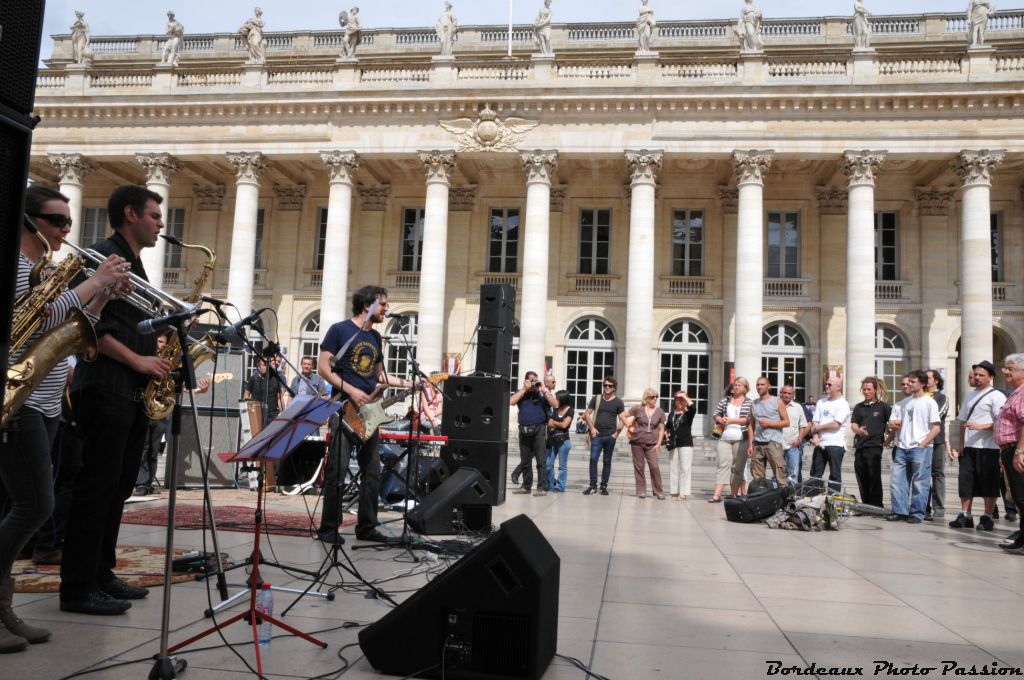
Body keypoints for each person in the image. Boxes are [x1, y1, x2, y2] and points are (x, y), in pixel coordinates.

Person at [0, 185, 129, 645]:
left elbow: (65, 325)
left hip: (48, 398)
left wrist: (100, 300)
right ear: (29, 221)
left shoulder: (42, 268)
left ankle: (4, 608)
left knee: (31, 504)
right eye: (58, 221)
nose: (67, 230)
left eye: (69, 222)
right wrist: (92, 283)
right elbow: (31, 321)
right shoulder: (16, 266)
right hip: (20, 399)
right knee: (35, 506)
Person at [61, 184, 172, 616]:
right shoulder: (99, 258)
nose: (161, 224)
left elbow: (128, 325)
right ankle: (76, 588)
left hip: (128, 390)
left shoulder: (135, 266)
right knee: (96, 488)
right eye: (154, 215)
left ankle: (101, 573)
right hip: (104, 384)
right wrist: (140, 362)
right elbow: (87, 327)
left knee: (118, 488)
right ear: (130, 214)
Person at [317, 286, 412, 543]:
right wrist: (351, 390)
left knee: (372, 471)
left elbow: (380, 375)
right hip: (344, 409)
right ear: (367, 305)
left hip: (369, 413)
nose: (386, 309)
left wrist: (409, 383)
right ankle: (328, 528)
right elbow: (323, 367)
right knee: (338, 471)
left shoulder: (376, 338)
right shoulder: (340, 330)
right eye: (383, 304)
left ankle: (367, 527)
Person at [950, 361, 1007, 530]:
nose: (977, 378)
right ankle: (965, 515)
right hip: (969, 447)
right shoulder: (969, 395)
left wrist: (983, 426)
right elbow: (963, 422)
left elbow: (1002, 422)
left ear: (991, 377)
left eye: (981, 375)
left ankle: (987, 516)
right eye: (975, 374)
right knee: (966, 482)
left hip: (989, 447)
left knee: (989, 482)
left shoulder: (996, 396)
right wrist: (960, 444)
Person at [886, 370, 941, 523]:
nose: (909, 384)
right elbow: (896, 423)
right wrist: (892, 426)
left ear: (922, 383)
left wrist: (923, 444)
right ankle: (900, 511)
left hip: (920, 447)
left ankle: (917, 513)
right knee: (898, 481)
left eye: (912, 381)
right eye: (908, 381)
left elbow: (936, 427)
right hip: (902, 446)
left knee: (920, 482)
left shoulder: (930, 402)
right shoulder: (904, 403)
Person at [994, 353, 1024, 552]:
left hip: (1017, 449)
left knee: (1022, 496)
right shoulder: (1015, 392)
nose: (1005, 371)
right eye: (1005, 367)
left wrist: (1019, 451)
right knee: (1018, 497)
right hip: (1009, 449)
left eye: (1011, 368)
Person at [510, 371, 557, 496]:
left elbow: (555, 404)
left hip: (539, 430)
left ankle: (541, 487)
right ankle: (526, 486)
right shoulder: (522, 393)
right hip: (524, 430)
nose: (533, 382)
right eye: (531, 380)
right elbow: (511, 401)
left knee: (541, 460)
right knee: (525, 460)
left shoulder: (541, 394)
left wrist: (544, 389)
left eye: (535, 380)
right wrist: (524, 389)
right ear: (525, 381)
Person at [710, 377, 753, 502]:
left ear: (745, 388)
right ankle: (717, 495)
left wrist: (732, 420)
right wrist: (720, 419)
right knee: (723, 465)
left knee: (738, 468)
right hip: (725, 437)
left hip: (742, 439)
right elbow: (715, 414)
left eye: (739, 385)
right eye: (735, 385)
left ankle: (734, 493)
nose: (736, 387)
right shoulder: (725, 400)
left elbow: (749, 420)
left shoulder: (750, 402)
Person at [850, 377, 891, 507]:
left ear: (875, 390)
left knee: (874, 476)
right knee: (861, 476)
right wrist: (858, 431)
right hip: (860, 446)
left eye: (869, 389)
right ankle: (866, 504)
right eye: (864, 389)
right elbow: (854, 424)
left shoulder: (883, 407)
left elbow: (892, 423)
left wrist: (889, 438)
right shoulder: (858, 407)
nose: (866, 392)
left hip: (874, 447)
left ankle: (877, 504)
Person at [582, 376, 624, 496]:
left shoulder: (618, 402)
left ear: (614, 388)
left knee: (607, 461)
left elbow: (622, 419)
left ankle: (604, 486)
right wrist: (592, 428)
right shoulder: (597, 399)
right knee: (593, 459)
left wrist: (616, 434)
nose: (607, 387)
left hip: (610, 436)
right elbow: (587, 414)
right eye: (605, 385)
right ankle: (592, 486)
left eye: (610, 386)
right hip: (597, 435)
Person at [809, 378, 851, 492]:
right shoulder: (821, 402)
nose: (826, 386)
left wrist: (817, 428)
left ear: (838, 387)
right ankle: (812, 499)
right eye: (826, 384)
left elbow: (836, 424)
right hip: (820, 443)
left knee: (834, 475)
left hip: (835, 443)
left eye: (829, 384)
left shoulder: (843, 404)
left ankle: (833, 500)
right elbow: (815, 420)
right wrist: (815, 436)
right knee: (815, 474)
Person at [623, 388, 666, 499]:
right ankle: (641, 491)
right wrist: (629, 426)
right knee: (639, 467)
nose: (655, 398)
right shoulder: (638, 408)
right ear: (646, 398)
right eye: (652, 397)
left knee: (655, 467)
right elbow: (622, 415)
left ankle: (658, 491)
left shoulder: (660, 411)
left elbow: (661, 429)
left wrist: (659, 443)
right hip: (637, 442)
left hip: (652, 444)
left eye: (657, 396)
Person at [750, 376, 789, 484]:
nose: (759, 387)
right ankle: (759, 497)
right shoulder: (754, 403)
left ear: (769, 386)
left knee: (780, 474)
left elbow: (786, 422)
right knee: (757, 477)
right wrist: (750, 443)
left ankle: (784, 497)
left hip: (773, 442)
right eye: (758, 385)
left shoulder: (777, 401)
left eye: (762, 384)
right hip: (758, 443)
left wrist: (769, 424)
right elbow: (751, 425)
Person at [665, 391, 696, 499]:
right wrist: (666, 433)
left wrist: (685, 396)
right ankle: (674, 491)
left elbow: (693, 408)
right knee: (673, 468)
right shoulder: (672, 414)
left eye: (681, 399)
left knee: (685, 468)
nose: (679, 401)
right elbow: (668, 426)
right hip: (673, 443)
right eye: (677, 399)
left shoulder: (688, 413)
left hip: (686, 443)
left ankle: (683, 492)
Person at [779, 384, 808, 486]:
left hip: (793, 446)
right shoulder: (775, 406)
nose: (786, 395)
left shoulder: (798, 407)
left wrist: (799, 439)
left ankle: (792, 497)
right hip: (778, 446)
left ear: (792, 395)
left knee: (793, 475)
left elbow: (803, 425)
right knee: (778, 474)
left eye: (789, 393)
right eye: (785, 393)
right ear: (780, 393)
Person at [244, 356, 285, 428]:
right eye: (264, 365)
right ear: (259, 367)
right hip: (256, 414)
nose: (266, 367)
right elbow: (246, 394)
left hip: (272, 415)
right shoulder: (253, 378)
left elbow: (280, 398)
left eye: (268, 365)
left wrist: (284, 414)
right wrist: (248, 411)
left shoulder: (275, 379)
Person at [545, 390, 573, 492]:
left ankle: (560, 486)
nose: (556, 400)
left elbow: (565, 425)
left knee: (562, 466)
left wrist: (555, 423)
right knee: (548, 464)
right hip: (553, 440)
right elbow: (549, 423)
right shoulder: (555, 409)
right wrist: (559, 423)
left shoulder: (570, 410)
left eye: (557, 398)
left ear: (562, 399)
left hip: (564, 441)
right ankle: (551, 484)